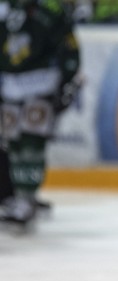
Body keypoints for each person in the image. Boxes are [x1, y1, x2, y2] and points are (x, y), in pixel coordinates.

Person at [0, 0, 81, 229]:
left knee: (31, 143)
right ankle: (21, 197)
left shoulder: (50, 12)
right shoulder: (8, 9)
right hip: (8, 85)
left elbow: (69, 47)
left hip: (41, 84)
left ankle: (27, 198)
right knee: (14, 145)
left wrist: (66, 80)